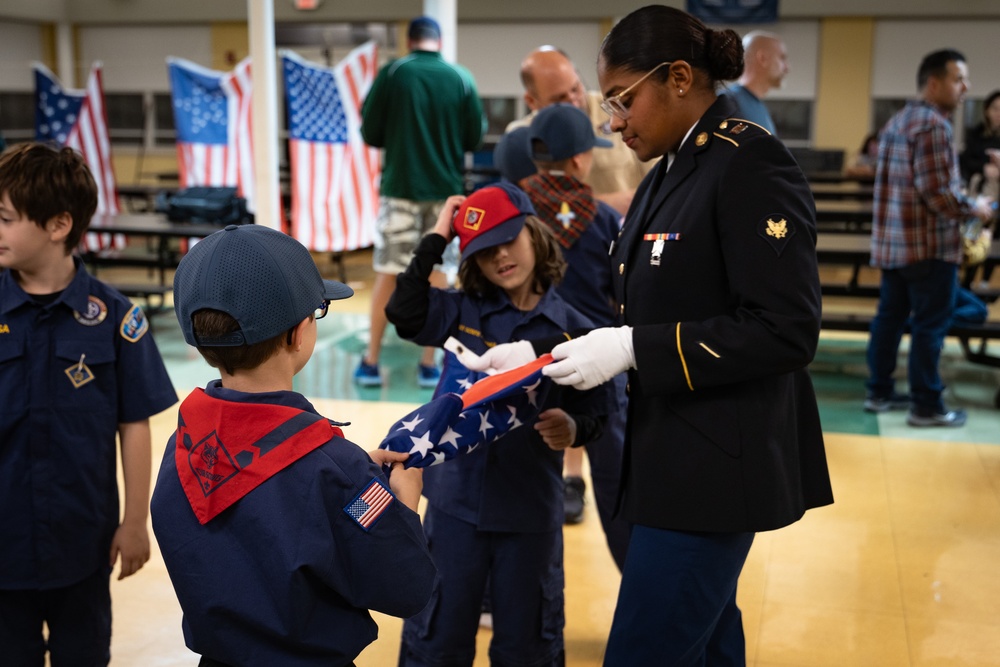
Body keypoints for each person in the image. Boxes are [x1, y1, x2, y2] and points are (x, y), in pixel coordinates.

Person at [464, 6, 834, 664]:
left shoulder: (747, 163)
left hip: (715, 470)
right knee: (710, 644)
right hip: (666, 456)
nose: (613, 122)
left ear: (682, 78)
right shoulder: (669, 170)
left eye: (623, 100)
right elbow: (637, 313)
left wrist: (633, 348)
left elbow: (786, 328)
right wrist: (548, 354)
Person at [150, 224, 436, 666]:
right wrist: (401, 503)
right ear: (298, 333)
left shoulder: (183, 448)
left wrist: (355, 477)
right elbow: (407, 584)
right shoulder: (335, 471)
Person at [385, 184, 609, 667]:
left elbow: (599, 413)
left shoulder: (576, 329)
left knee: (527, 648)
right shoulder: (460, 310)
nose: (501, 256)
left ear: (535, 232)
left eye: (509, 239)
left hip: (529, 513)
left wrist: (573, 426)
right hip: (452, 510)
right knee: (435, 644)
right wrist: (436, 237)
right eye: (484, 252)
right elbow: (402, 312)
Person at [0, 142, 177, 665]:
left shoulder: (116, 317)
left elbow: (135, 424)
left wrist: (134, 521)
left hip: (83, 544)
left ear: (58, 226)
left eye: (6, 219)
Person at [518, 102, 630, 566]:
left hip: (527, 363)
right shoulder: (604, 218)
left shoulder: (517, 211)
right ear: (582, 160)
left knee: (518, 483)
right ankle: (637, 583)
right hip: (597, 369)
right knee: (617, 484)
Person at [864, 49, 996, 427]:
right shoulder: (934, 126)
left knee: (888, 321)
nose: (965, 88)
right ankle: (926, 406)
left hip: (895, 247)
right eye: (959, 80)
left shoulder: (897, 122)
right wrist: (977, 207)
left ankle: (880, 391)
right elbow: (940, 194)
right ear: (934, 83)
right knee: (929, 327)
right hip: (929, 248)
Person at [357, 15, 485, 388]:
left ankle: (371, 361)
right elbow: (474, 138)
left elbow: (370, 131)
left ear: (409, 40)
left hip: (400, 188)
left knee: (388, 274)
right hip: (447, 193)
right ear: (438, 41)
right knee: (439, 274)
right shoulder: (461, 78)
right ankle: (430, 363)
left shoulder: (394, 73)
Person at [507, 46, 655, 214]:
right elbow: (529, 206)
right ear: (531, 101)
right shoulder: (521, 139)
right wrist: (602, 206)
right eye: (560, 98)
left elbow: (659, 186)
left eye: (576, 89)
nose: (574, 102)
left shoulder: (619, 109)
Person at [726, 30, 789, 135]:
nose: (787, 68)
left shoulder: (758, 106)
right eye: (782, 58)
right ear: (763, 59)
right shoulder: (729, 103)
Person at [959, 89, 1000, 197]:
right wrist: (984, 168)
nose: (998, 113)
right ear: (987, 110)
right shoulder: (976, 134)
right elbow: (965, 160)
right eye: (995, 109)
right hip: (979, 188)